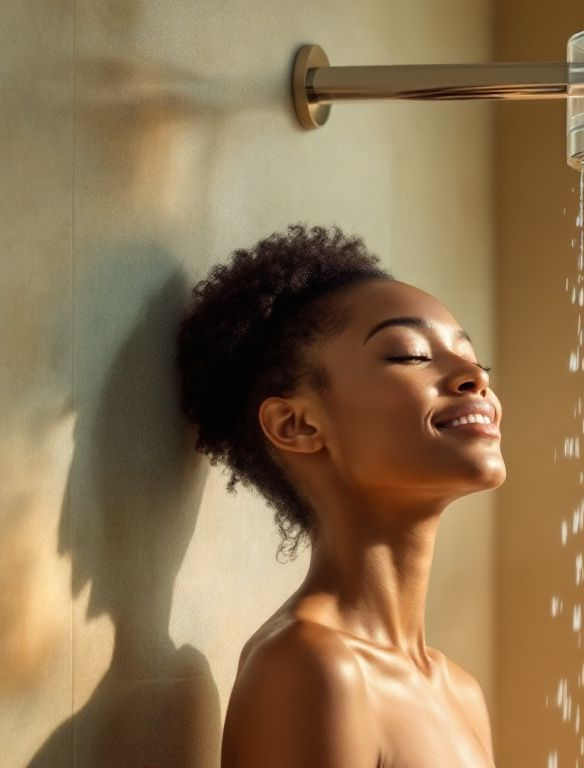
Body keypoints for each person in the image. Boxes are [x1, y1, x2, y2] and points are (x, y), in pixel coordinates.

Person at [176, 225, 503, 767]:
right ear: (297, 424)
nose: (474, 376)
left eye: (476, 361)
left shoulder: (459, 691)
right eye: (410, 354)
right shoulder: (310, 666)